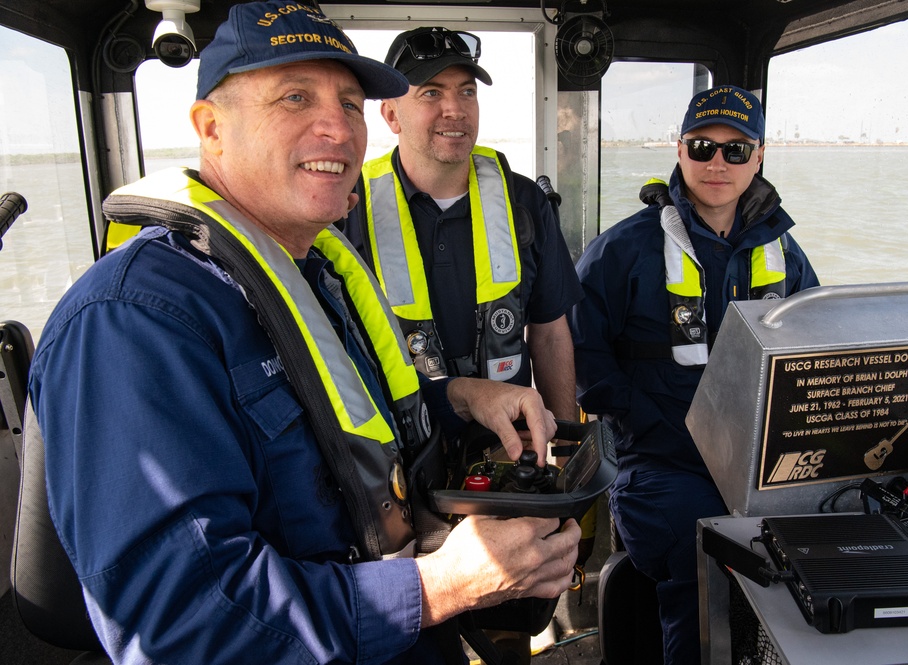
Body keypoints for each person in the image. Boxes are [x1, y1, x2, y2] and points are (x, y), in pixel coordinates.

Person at [27, 3, 579, 664]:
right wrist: (437, 586)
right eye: (295, 97)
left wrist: (462, 395)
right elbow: (182, 623)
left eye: (348, 104)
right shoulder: (132, 319)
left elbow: (347, 426)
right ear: (210, 128)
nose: (335, 129)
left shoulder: (311, 273)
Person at [569, 84, 819, 663]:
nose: (717, 164)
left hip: (764, 469)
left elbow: (816, 348)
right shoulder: (623, 249)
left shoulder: (788, 253)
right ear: (679, 150)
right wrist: (648, 423)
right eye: (703, 147)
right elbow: (581, 354)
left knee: (826, 547)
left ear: (758, 157)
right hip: (661, 464)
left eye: (736, 151)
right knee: (699, 565)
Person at [342, 26, 582, 427]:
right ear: (390, 114)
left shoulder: (525, 201)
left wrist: (565, 445)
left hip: (511, 448)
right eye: (431, 93)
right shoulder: (347, 206)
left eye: (466, 91)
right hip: (399, 447)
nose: (455, 109)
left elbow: (550, 333)